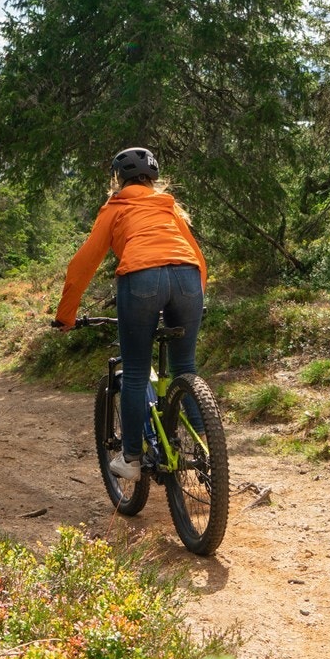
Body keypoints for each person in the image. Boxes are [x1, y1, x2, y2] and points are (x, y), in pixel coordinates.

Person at [54, 147, 207, 480]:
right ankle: (209, 452)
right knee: (186, 366)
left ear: (118, 179)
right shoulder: (169, 209)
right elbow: (197, 256)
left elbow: (83, 264)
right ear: (153, 180)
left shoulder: (116, 207)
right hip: (188, 278)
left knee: (136, 372)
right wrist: (196, 300)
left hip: (141, 279)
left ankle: (132, 459)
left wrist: (66, 314)